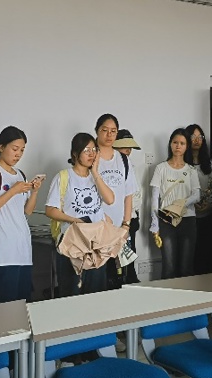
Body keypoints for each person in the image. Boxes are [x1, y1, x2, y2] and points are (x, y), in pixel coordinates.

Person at [45, 132, 115, 296]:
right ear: (75, 154)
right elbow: (50, 209)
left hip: (96, 243)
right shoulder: (63, 177)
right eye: (86, 150)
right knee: (71, 292)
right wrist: (74, 220)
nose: (92, 154)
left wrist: (95, 173)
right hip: (72, 242)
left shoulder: (96, 177)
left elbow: (110, 199)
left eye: (94, 149)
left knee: (96, 291)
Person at [0, 126, 42, 304]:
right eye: (15, 149)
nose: (18, 154)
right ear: (1, 147)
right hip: (2, 252)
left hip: (23, 250)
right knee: (3, 307)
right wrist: (13, 191)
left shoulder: (20, 175)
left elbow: (27, 211)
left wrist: (35, 191)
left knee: (23, 304)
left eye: (22, 150)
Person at [150, 129, 199, 279]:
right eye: (175, 142)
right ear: (170, 144)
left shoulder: (191, 170)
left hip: (187, 219)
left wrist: (179, 205)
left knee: (186, 268)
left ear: (187, 146)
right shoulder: (161, 168)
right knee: (169, 268)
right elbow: (154, 198)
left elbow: (197, 196)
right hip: (166, 220)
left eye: (182, 143)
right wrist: (154, 224)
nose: (178, 146)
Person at [94, 115, 136, 289]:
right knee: (96, 281)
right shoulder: (90, 158)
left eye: (113, 131)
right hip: (96, 230)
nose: (109, 135)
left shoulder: (123, 160)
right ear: (97, 131)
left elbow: (128, 195)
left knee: (117, 279)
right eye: (105, 130)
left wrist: (126, 225)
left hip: (119, 231)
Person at [186, 124, 212, 275]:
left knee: (205, 254)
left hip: (206, 216)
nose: (197, 140)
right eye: (193, 137)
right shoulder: (182, 163)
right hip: (187, 216)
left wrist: (208, 206)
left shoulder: (209, 164)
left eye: (200, 137)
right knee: (189, 256)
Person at [113, 129, 142, 284]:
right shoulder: (108, 165)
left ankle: (130, 281)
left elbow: (136, 194)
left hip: (131, 217)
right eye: (124, 146)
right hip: (113, 220)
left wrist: (130, 215)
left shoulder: (131, 166)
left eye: (130, 147)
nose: (128, 150)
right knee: (112, 257)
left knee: (129, 253)